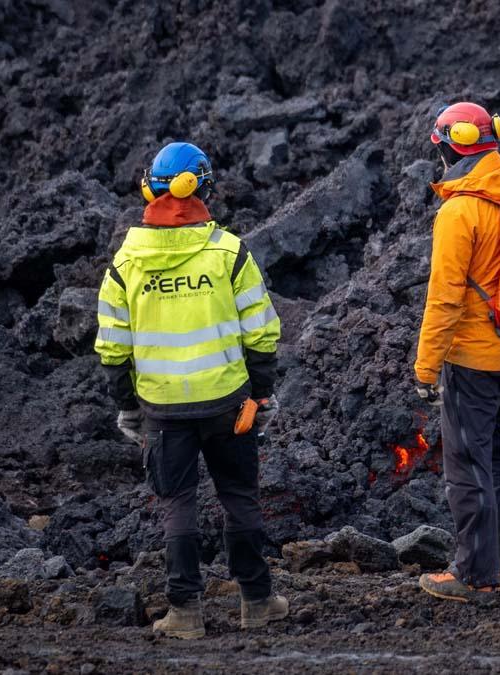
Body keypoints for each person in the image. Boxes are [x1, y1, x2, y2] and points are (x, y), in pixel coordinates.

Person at [94, 141, 287, 637]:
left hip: (162, 409)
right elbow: (262, 331)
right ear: (202, 186)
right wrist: (260, 393)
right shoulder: (230, 254)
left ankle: (184, 614)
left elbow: (113, 348)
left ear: (148, 188)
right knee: (239, 496)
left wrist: (126, 408)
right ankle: (258, 602)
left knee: (178, 503)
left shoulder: (125, 264)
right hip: (229, 401)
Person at [414, 102, 500, 601]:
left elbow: (444, 296)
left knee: (468, 469)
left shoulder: (459, 210)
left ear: (449, 146)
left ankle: (474, 575)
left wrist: (426, 367)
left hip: (472, 361)